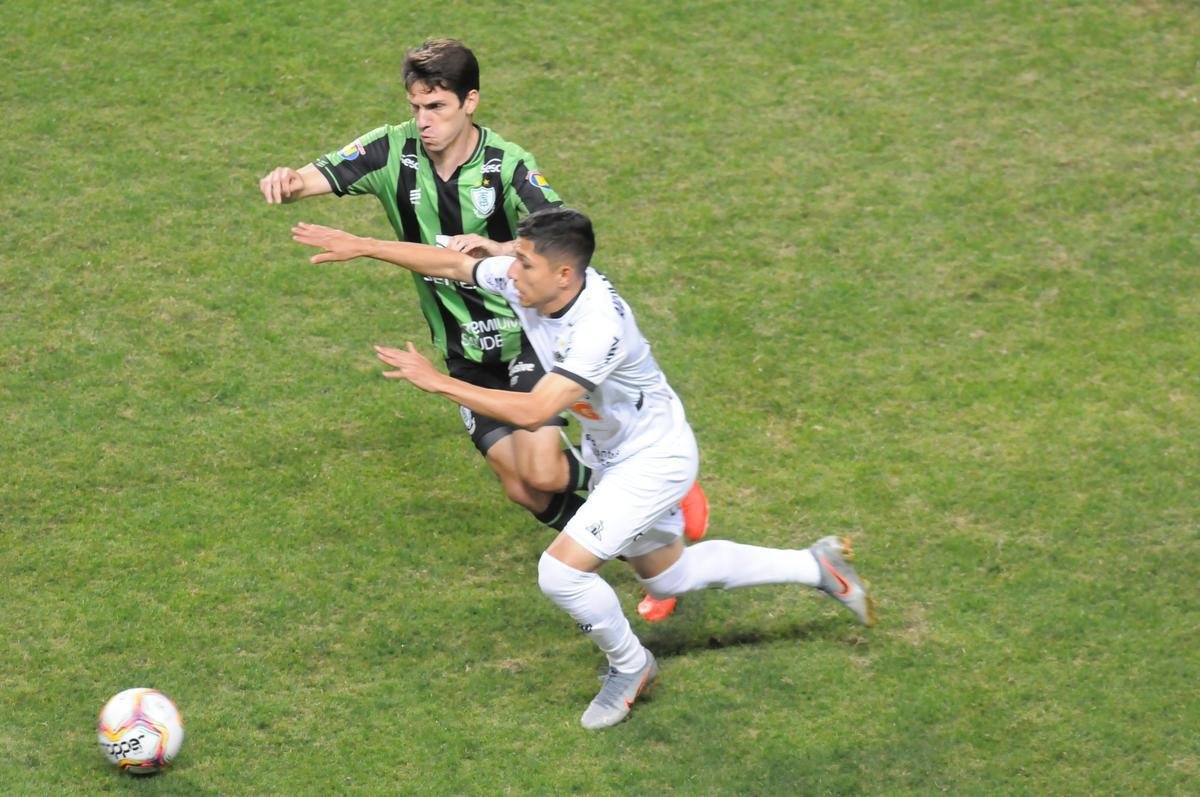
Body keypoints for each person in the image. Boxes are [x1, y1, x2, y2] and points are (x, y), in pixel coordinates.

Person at [290, 208, 876, 730]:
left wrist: (438, 382)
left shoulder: (597, 329)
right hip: (614, 453)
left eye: (523, 263)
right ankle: (817, 566)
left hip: (654, 460)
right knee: (668, 578)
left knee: (560, 574)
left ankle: (632, 666)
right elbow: (454, 265)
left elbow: (535, 411)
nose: (511, 272)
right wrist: (365, 245)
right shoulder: (537, 283)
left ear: (564, 275)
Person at [257, 39, 704, 620]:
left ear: (470, 102)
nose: (423, 121)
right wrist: (285, 180)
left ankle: (657, 496)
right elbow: (311, 178)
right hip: (462, 350)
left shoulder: (507, 164)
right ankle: (646, 554)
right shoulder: (391, 149)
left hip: (524, 339)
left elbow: (560, 238)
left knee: (543, 468)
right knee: (523, 489)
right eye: (416, 107)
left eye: (436, 107)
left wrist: (498, 247)